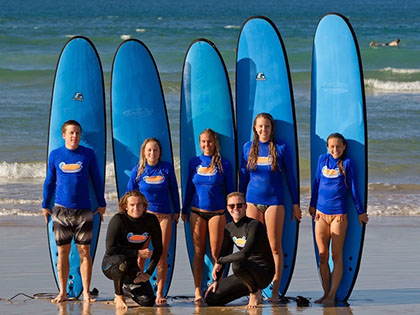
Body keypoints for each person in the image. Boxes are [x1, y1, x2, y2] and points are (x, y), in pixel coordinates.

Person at [42, 120, 106, 303]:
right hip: (61, 210)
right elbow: (49, 181)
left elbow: (96, 180)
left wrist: (101, 203)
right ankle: (62, 292)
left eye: (77, 132)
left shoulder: (88, 154)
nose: (74, 136)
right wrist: (45, 204)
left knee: (85, 252)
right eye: (71, 133)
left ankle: (86, 292)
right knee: (63, 252)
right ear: (64, 135)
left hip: (84, 210)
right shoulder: (55, 155)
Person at [239, 112, 301, 303]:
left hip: (274, 203)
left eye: (267, 126)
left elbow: (290, 177)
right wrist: (239, 202)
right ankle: (254, 291)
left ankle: (274, 292)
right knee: (251, 248)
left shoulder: (281, 148)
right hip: (251, 202)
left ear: (271, 128)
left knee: (274, 248)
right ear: (255, 129)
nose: (263, 129)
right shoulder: (248, 148)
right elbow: (243, 177)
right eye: (260, 126)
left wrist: (296, 204)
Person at [309, 133, 369, 306]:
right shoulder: (322, 159)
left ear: (344, 148)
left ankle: (332, 295)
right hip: (320, 214)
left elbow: (354, 189)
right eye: (332, 146)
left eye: (338, 146)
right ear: (328, 147)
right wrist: (312, 205)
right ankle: (326, 292)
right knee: (322, 257)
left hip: (339, 216)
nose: (335, 149)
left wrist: (360, 212)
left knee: (336, 256)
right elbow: (316, 183)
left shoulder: (348, 164)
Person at [126, 137, 180, 305]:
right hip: (144, 219)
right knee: (141, 255)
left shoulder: (166, 168)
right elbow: (129, 194)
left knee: (161, 255)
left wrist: (177, 211)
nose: (152, 153)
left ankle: (159, 293)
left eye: (155, 150)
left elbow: (173, 191)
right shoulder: (138, 170)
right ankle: (137, 288)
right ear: (144, 152)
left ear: (159, 152)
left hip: (164, 217)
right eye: (149, 150)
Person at [182, 128, 234, 303]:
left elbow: (231, 190)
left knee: (216, 253)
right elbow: (189, 188)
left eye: (209, 141)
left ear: (215, 142)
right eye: (203, 142)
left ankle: (215, 286)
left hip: (218, 214)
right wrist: (183, 209)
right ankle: (197, 290)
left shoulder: (224, 164)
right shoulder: (194, 162)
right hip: (196, 212)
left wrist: (234, 212)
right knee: (198, 252)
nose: (206, 145)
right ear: (200, 143)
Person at [204, 192, 275, 308]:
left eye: (239, 205)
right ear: (227, 208)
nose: (235, 208)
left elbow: (245, 253)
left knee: (237, 263)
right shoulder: (229, 228)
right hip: (245, 274)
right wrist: (216, 280)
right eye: (232, 206)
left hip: (263, 272)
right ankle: (253, 290)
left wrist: (220, 261)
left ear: (246, 206)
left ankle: (254, 293)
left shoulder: (254, 225)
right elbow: (224, 252)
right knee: (212, 298)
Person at [102, 190, 163, 309]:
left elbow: (159, 248)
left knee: (147, 301)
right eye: (132, 205)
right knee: (121, 261)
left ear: (144, 205)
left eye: (139, 204)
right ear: (125, 206)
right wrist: (137, 253)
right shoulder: (118, 220)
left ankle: (126, 288)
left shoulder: (151, 220)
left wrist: (148, 273)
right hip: (110, 265)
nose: (136, 208)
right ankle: (118, 295)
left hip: (131, 267)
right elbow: (111, 249)